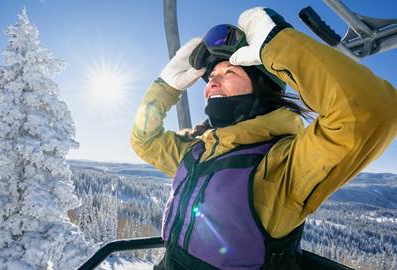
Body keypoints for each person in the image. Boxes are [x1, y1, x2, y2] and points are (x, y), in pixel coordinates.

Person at [130, 7, 397, 270]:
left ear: (262, 87)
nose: (212, 83)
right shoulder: (200, 151)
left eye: (229, 73)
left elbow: (369, 111)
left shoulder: (280, 166)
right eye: (211, 77)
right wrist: (166, 87)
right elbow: (145, 139)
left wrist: (276, 44)